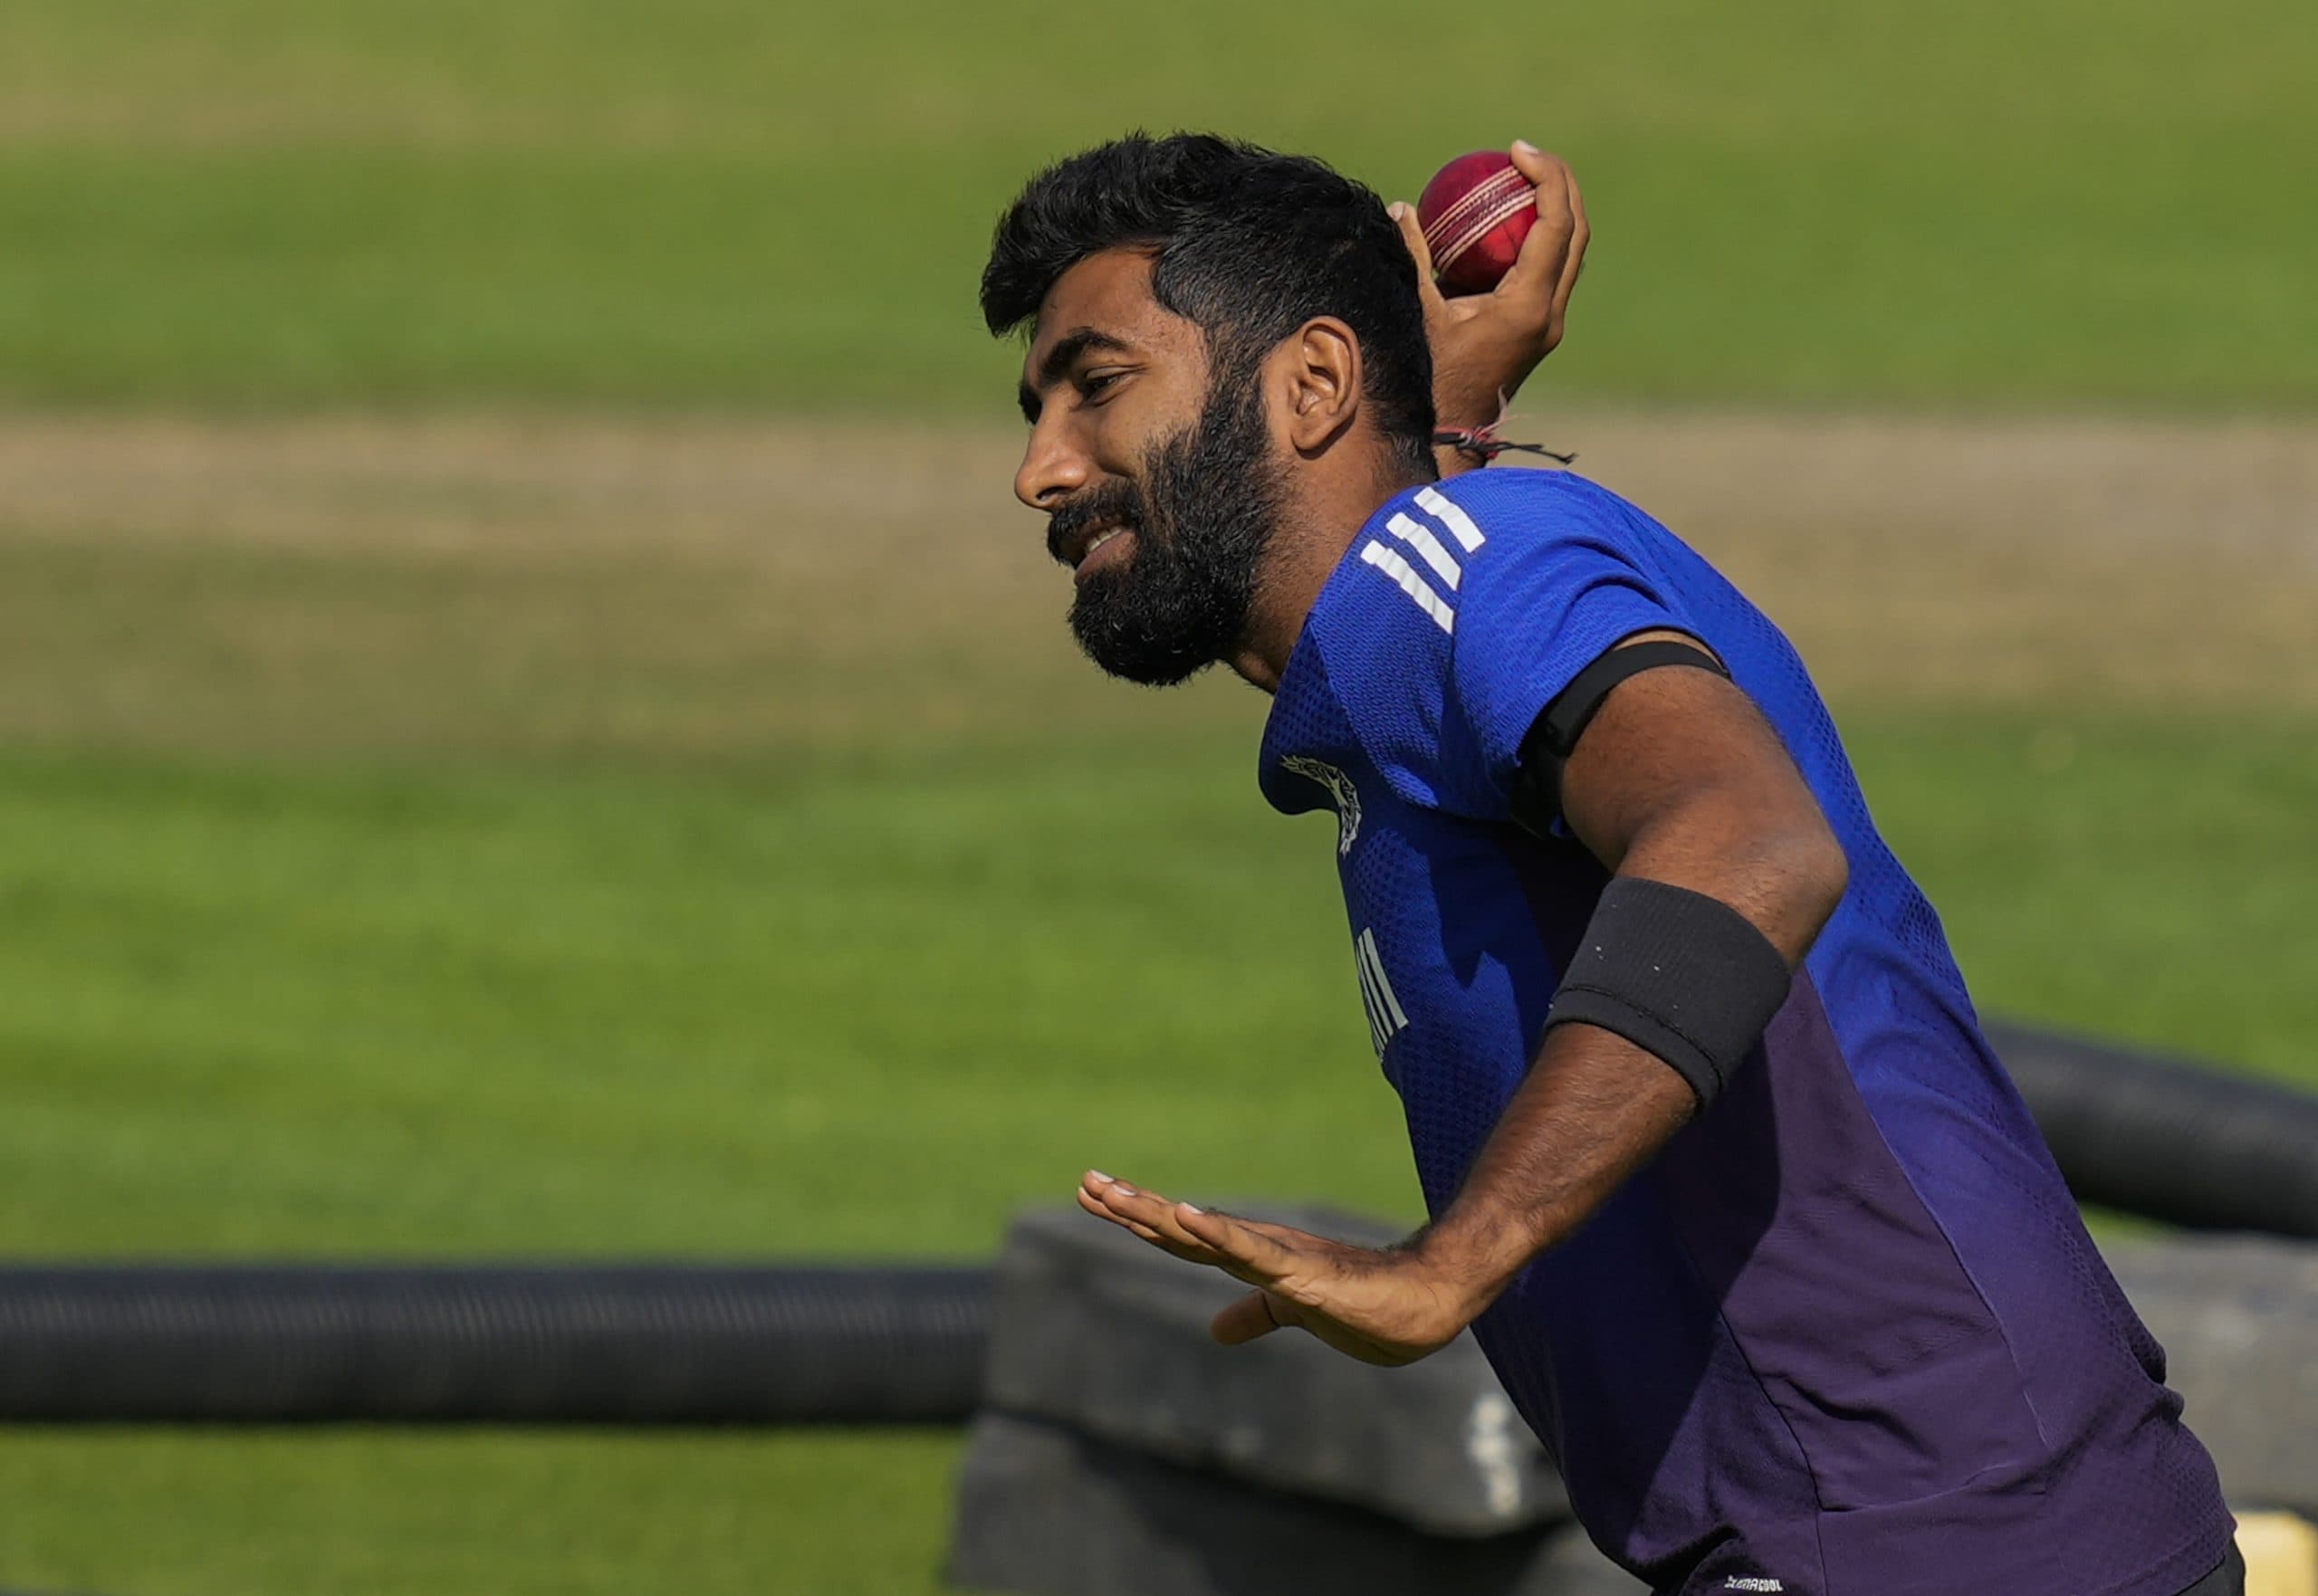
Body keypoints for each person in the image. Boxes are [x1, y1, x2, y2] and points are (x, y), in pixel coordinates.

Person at [979, 132, 2240, 1596]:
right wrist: (1433, 415)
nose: (1039, 469)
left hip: (1919, 1540)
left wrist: (1452, 1262)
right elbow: (1422, 574)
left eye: (1096, 383)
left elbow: (1748, 839)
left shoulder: (1466, 567)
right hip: (1967, 1530)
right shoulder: (1423, 595)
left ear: (1314, 383)